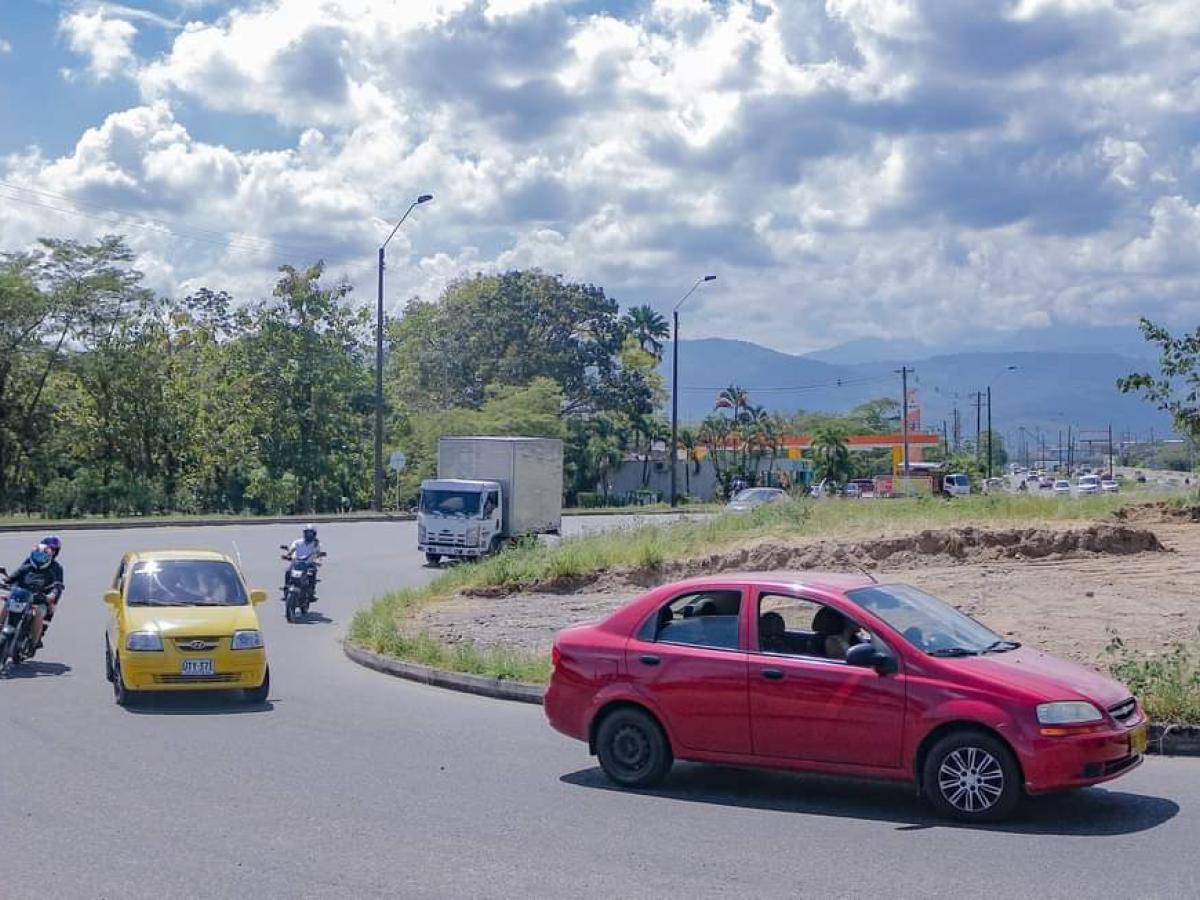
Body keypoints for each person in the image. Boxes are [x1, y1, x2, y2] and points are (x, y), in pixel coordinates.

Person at [3, 543, 64, 652]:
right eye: (37, 556)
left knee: (38, 613)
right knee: (6, 603)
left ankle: (33, 642)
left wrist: (52, 594)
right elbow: (11, 578)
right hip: (21, 597)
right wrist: (5, 583)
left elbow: (57, 585)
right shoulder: (25, 568)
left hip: (39, 600)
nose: (39, 559)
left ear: (49, 558)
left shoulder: (52, 572)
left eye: (42, 557)